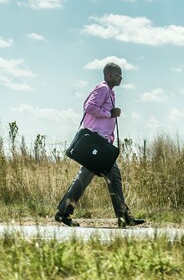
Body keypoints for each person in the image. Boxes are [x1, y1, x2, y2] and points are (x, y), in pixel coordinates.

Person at [55, 62, 145, 228]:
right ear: (109, 75)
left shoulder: (110, 92)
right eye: (118, 74)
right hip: (96, 145)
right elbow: (89, 107)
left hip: (101, 144)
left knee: (108, 178)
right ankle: (64, 213)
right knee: (94, 178)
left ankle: (123, 217)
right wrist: (109, 113)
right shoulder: (103, 88)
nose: (121, 78)